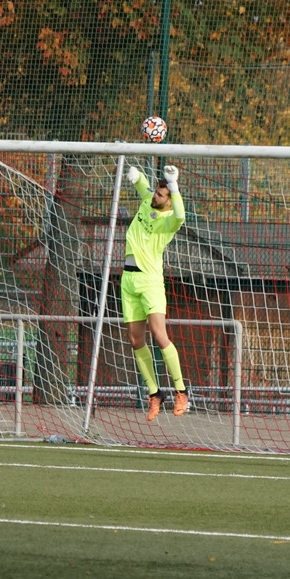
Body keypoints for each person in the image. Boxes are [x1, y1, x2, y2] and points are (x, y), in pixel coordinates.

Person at [122, 163, 188, 421]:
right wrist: (136, 175)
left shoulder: (168, 221)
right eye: (156, 193)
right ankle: (155, 394)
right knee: (135, 340)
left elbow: (181, 216)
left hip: (150, 282)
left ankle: (181, 391)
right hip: (128, 280)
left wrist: (174, 186)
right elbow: (143, 187)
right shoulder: (147, 203)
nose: (155, 196)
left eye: (161, 195)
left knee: (160, 335)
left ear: (168, 201)